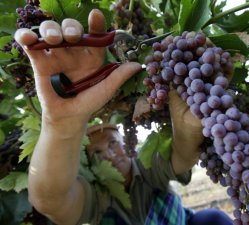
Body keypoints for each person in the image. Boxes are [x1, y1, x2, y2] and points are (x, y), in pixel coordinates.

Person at [14, 9, 232, 225]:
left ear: (125, 143)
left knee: (213, 219)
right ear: (89, 166)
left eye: (112, 143)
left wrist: (188, 128)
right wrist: (61, 125)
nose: (109, 154)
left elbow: (183, 159)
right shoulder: (97, 198)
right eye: (97, 153)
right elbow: (50, 201)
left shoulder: (146, 169)